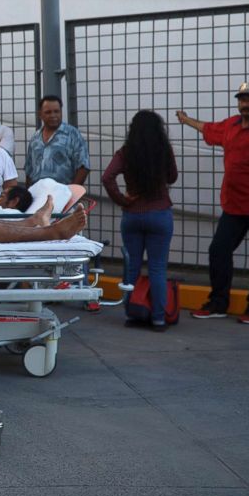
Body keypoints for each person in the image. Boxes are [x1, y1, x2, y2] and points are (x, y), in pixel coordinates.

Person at [177, 81, 249, 324]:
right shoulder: (231, 125)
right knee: (218, 250)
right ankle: (218, 303)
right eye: (242, 99)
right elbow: (208, 128)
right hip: (233, 205)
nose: (245, 104)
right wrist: (186, 120)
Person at [101, 111, 178, 332]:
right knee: (157, 268)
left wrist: (122, 200)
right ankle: (158, 319)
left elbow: (107, 177)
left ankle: (132, 313)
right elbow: (172, 177)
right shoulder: (164, 151)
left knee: (132, 266)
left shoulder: (126, 152)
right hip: (160, 213)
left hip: (133, 215)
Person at [25, 95, 90, 188]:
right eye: (48, 112)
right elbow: (29, 170)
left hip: (63, 194)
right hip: (37, 195)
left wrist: (71, 193)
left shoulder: (72, 135)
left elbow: (83, 167)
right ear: (40, 114)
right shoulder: (35, 138)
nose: (53, 115)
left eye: (56, 111)